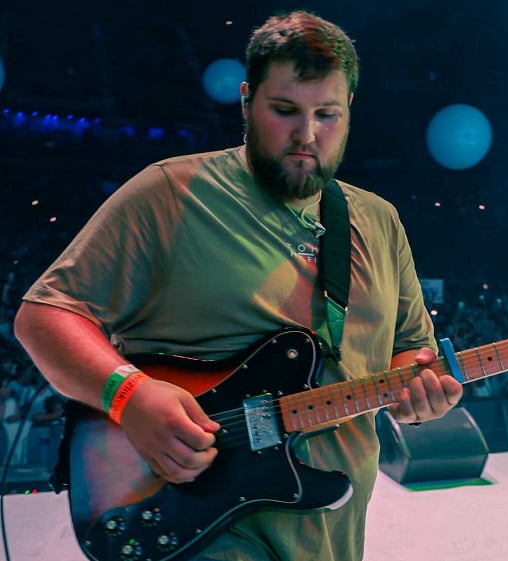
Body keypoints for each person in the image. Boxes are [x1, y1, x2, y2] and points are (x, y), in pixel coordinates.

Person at [13, 10, 462, 561]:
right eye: (284, 110)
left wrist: (417, 391)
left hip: (331, 529)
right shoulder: (170, 193)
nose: (307, 134)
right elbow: (44, 315)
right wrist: (129, 395)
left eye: (328, 114)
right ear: (246, 100)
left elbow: (408, 348)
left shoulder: (380, 221)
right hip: (194, 520)